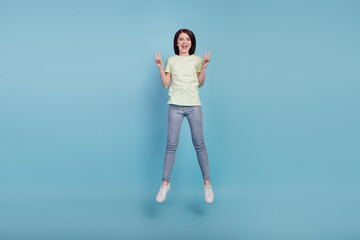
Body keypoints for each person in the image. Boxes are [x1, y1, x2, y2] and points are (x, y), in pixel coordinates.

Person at [153, 29, 214, 204]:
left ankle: (207, 184)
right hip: (175, 107)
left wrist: (203, 68)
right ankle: (165, 184)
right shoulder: (171, 61)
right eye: (181, 39)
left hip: (194, 106)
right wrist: (159, 67)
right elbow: (166, 85)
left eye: (187, 39)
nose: (184, 42)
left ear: (191, 43)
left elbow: (200, 83)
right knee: (171, 145)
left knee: (199, 144)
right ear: (177, 43)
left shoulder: (196, 60)